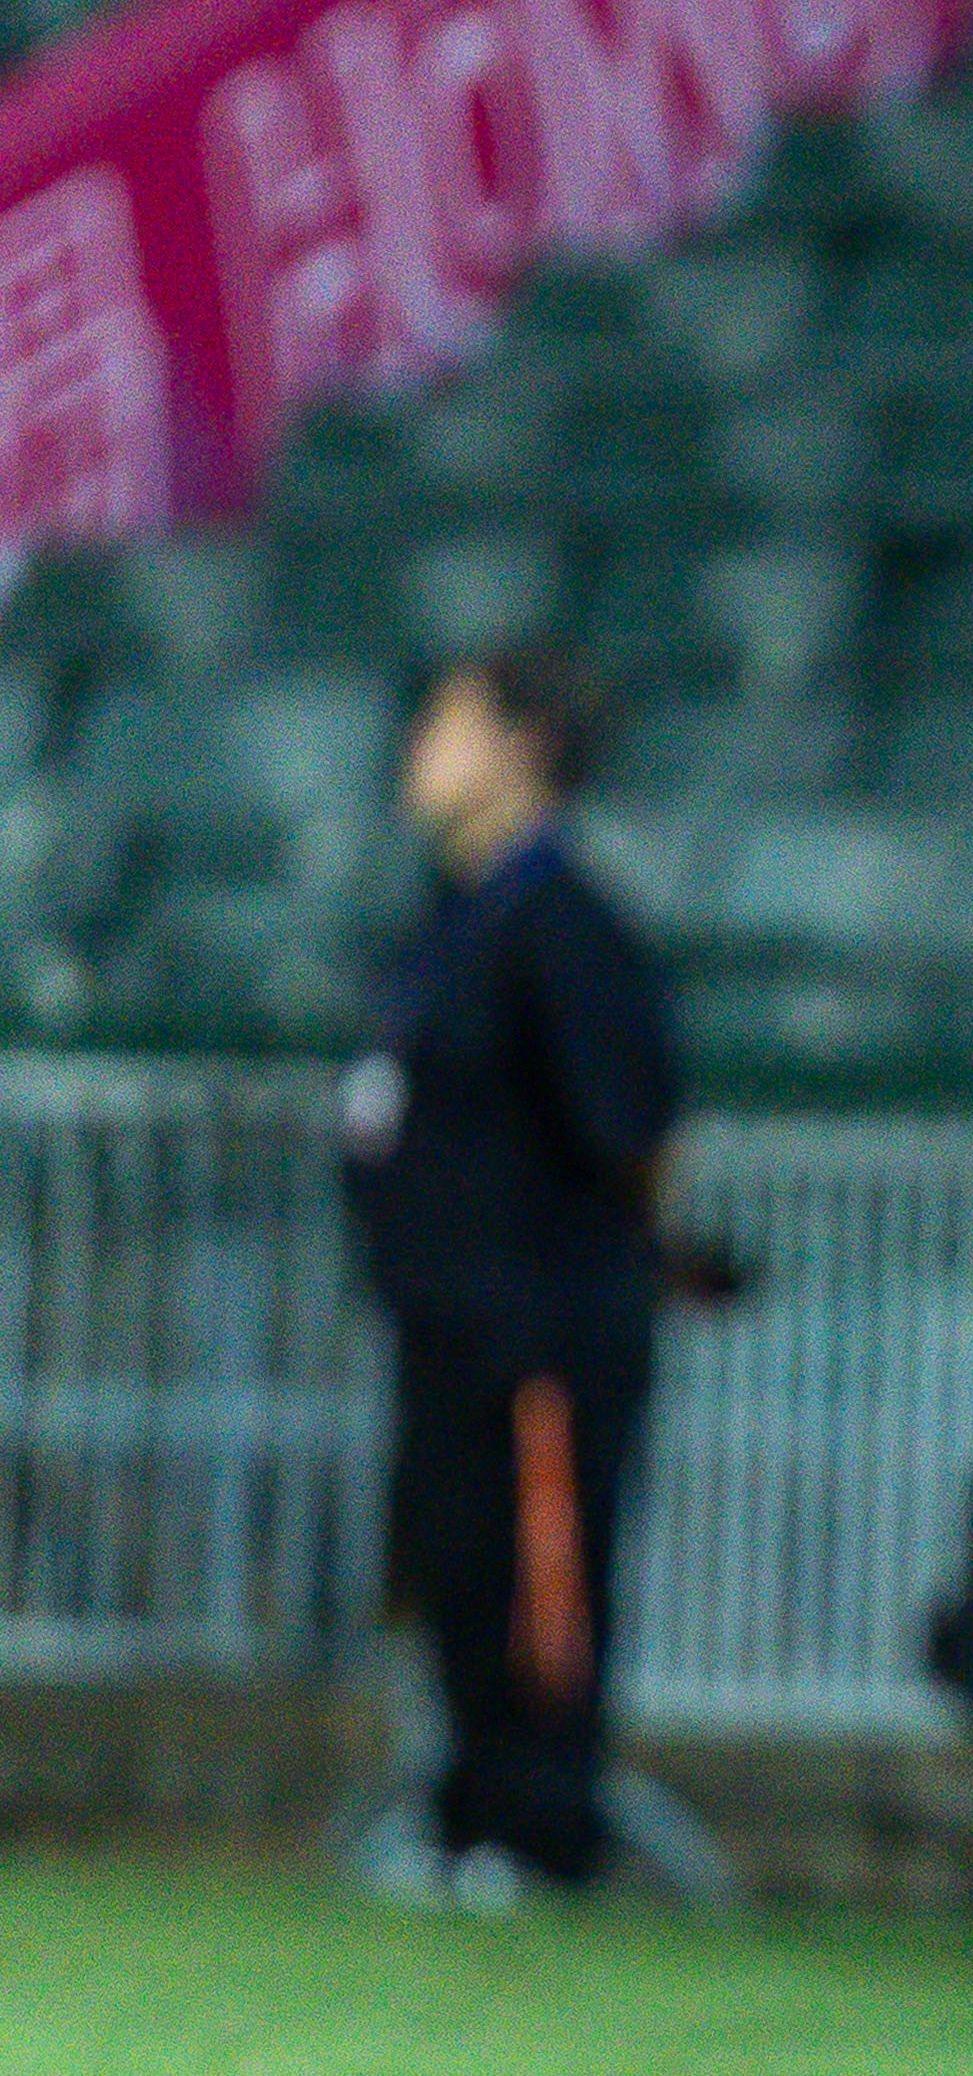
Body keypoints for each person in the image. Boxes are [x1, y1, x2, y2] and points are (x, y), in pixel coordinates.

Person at [341, 644, 682, 1909]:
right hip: (446, 1325)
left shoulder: (567, 926)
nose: (420, 749)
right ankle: (465, 1824)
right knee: (462, 1579)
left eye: (449, 723)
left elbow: (634, 1127)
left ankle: (539, 1835)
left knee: (540, 1589)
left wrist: (589, 1280)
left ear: (523, 748)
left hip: (539, 1329)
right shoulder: (451, 915)